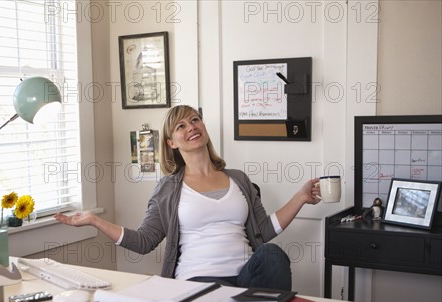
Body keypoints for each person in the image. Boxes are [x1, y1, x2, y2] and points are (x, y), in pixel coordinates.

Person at [54, 105, 321, 290]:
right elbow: (145, 241)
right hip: (200, 278)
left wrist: (300, 197)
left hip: (246, 275)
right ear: (171, 142)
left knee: (272, 255)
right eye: (181, 126)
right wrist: (95, 221)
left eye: (195, 120)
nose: (191, 127)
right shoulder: (168, 189)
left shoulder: (238, 179)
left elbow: (263, 231)